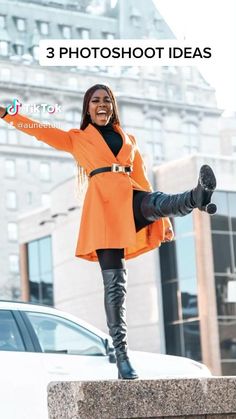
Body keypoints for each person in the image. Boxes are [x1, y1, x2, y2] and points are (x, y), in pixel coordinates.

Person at [0, 84, 217, 379]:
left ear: (112, 106)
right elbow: (37, 129)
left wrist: (161, 217)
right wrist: (5, 113)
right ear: (88, 108)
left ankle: (196, 197)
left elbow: (143, 181)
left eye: (107, 100)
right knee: (115, 285)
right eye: (95, 101)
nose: (102, 105)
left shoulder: (130, 139)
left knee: (155, 201)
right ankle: (122, 355)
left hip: (131, 197)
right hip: (102, 211)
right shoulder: (76, 139)